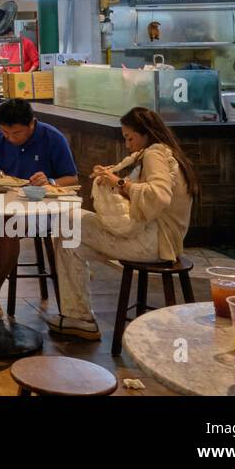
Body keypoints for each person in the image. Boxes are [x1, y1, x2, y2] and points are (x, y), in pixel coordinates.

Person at [45, 107, 200, 341]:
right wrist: (114, 180)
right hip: (162, 241)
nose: (128, 144)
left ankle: (79, 317)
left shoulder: (154, 154)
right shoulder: (166, 153)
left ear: (146, 133)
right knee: (72, 239)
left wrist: (118, 182)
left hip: (155, 243)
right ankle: (77, 316)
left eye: (130, 137)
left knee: (68, 223)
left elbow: (158, 195)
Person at [0, 98, 78, 314]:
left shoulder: (52, 138)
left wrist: (50, 182)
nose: (10, 138)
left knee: (9, 228)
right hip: (3, 204)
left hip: (41, 210)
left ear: (32, 123)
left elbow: (72, 179)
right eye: (6, 133)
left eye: (16, 133)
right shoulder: (0, 137)